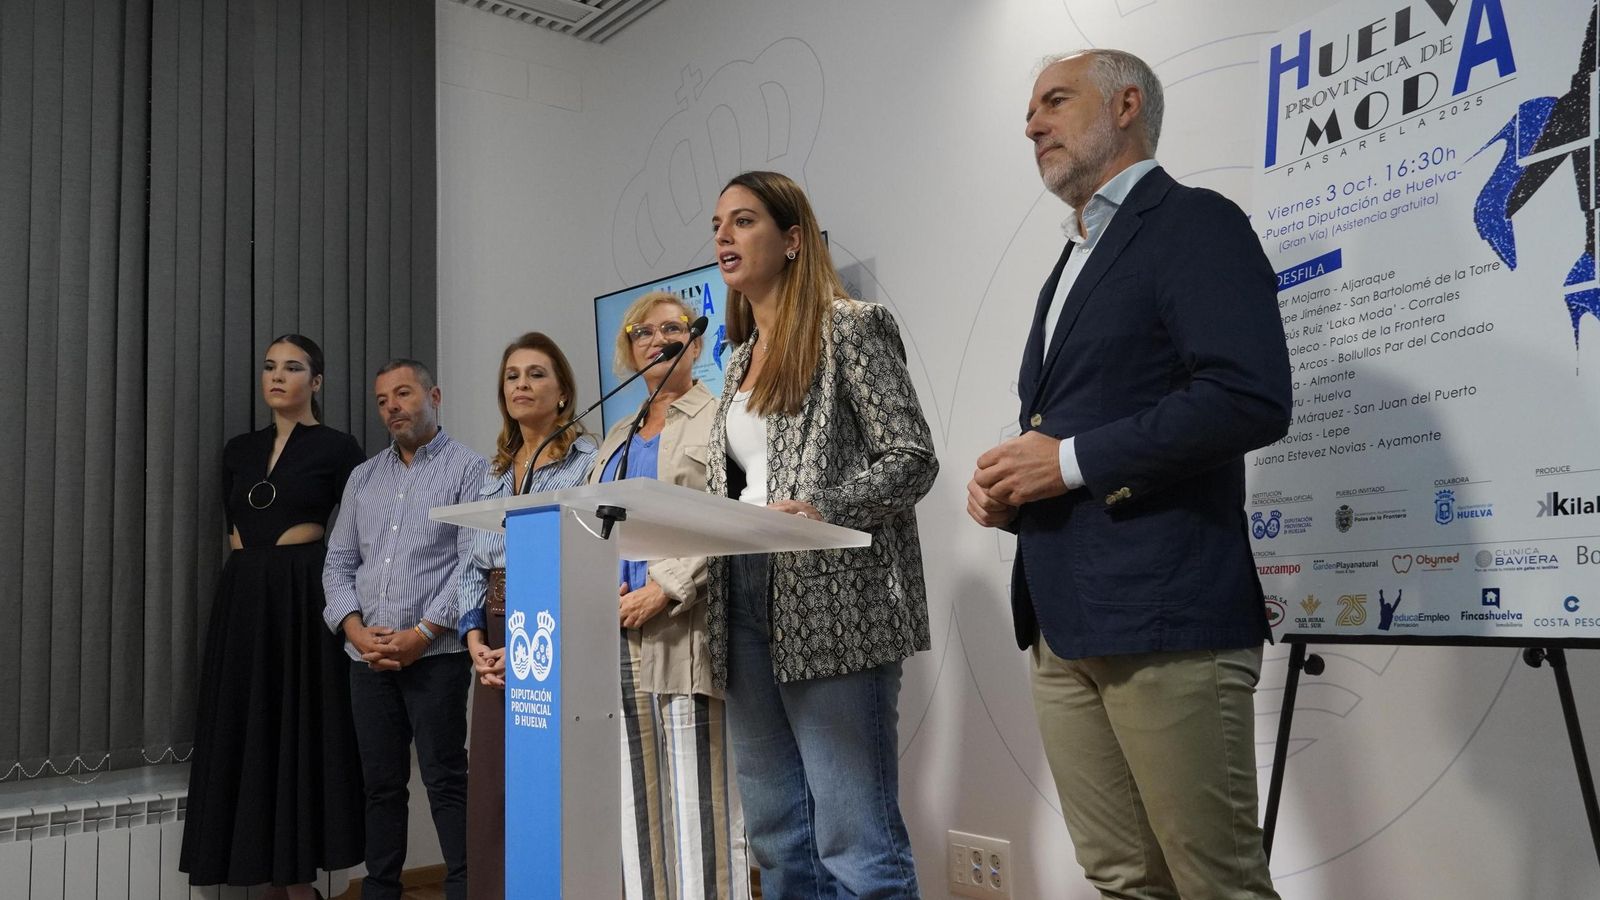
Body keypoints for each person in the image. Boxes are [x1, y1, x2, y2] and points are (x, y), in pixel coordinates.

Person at [967, 49, 1290, 899]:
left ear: (1126, 105)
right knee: (1119, 877)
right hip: (1063, 621)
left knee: (1215, 883)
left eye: (1054, 102)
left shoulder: (1195, 222)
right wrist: (1014, 486)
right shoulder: (1068, 260)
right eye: (1028, 111)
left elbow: (1247, 397)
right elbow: (1094, 412)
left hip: (1167, 614)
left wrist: (1068, 462)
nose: (1031, 123)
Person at [705, 170, 938, 898]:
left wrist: (824, 508)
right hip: (743, 596)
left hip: (834, 602)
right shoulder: (737, 360)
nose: (722, 237)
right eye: (717, 225)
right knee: (777, 837)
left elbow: (912, 457)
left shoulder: (852, 327)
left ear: (793, 239)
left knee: (855, 841)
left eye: (742, 221)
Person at [181, 334, 366, 899]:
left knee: (299, 726)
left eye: (292, 367)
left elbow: (358, 534)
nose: (277, 376)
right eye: (268, 367)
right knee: (247, 723)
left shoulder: (338, 447)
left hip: (302, 593)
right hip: (242, 593)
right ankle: (259, 877)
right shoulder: (239, 448)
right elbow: (228, 520)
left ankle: (299, 880)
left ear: (318, 381)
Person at [589, 291, 750, 900]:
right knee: (639, 804)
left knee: (699, 805)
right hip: (618, 634)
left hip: (686, 627)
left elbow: (732, 513)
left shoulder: (720, 416)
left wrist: (668, 585)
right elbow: (590, 523)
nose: (656, 339)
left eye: (671, 328)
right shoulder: (615, 435)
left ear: (697, 341)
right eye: (642, 332)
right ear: (629, 351)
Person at [323, 359, 488, 900]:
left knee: (445, 781)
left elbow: (473, 562)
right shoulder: (363, 477)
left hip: (436, 655)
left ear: (433, 395)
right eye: (382, 400)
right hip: (366, 658)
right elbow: (338, 561)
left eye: (403, 394)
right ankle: (381, 890)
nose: (391, 406)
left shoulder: (470, 469)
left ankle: (463, 889)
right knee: (380, 788)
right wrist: (353, 629)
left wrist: (422, 631)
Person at [454, 333, 598, 900]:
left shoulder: (591, 464)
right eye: (512, 376)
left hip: (553, 631)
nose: (521, 385)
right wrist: (472, 638)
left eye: (536, 374)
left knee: (548, 783)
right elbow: (468, 562)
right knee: (493, 785)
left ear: (563, 392)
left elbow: (588, 550)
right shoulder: (490, 474)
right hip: (491, 638)